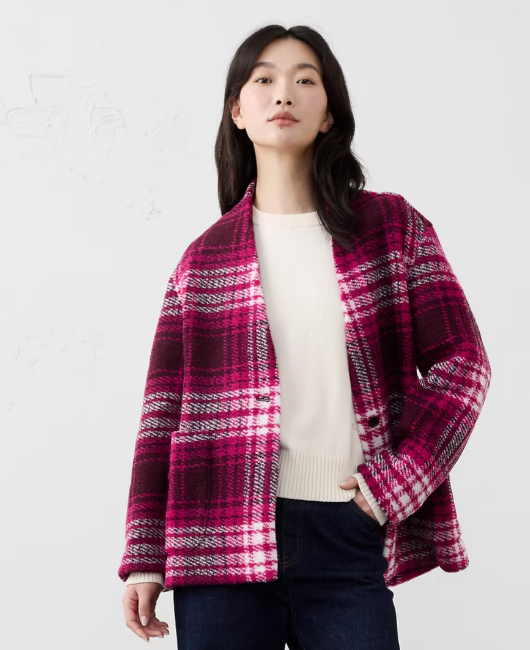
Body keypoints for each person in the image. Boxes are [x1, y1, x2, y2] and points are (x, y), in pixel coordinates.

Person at [119, 24, 491, 649]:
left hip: (346, 530)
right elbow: (162, 417)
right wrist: (145, 556)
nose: (283, 93)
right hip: (219, 537)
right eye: (263, 79)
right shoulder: (202, 262)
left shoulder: (391, 229)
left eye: (305, 79)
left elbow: (465, 363)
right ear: (238, 112)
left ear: (329, 113)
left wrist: (395, 484)